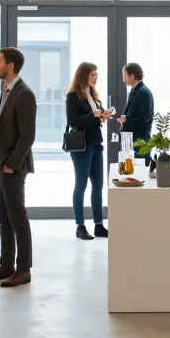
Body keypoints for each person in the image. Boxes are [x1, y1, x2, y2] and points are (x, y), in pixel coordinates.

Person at [0, 47, 37, 287]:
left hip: (11, 166)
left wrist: (12, 165)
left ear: (10, 65)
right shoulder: (6, 90)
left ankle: (23, 270)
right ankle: (6, 265)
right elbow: (11, 127)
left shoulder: (24, 94)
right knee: (3, 217)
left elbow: (28, 136)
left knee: (17, 218)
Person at [65, 62, 109, 240]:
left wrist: (102, 116)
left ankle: (99, 225)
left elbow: (93, 119)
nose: (96, 78)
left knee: (98, 185)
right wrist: (94, 115)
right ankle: (80, 226)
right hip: (82, 146)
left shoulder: (92, 94)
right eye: (93, 75)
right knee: (81, 185)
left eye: (96, 75)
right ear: (83, 75)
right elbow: (73, 121)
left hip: (96, 143)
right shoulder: (72, 95)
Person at [117, 63, 154, 166]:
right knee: (129, 170)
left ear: (132, 76)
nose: (123, 78)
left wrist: (126, 120)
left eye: (124, 75)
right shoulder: (136, 90)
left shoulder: (143, 92)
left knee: (139, 170)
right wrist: (126, 118)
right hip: (133, 138)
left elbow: (144, 119)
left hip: (140, 140)